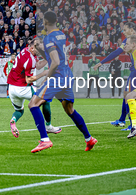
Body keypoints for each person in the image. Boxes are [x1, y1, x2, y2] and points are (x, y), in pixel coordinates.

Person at [27, 11, 97, 153]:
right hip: (67, 76)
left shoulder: (48, 38)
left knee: (33, 104)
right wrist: (40, 50)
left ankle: (44, 140)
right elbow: (53, 57)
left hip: (57, 77)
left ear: (46, 22)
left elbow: (55, 62)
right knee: (69, 109)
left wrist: (46, 79)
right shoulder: (60, 35)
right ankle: (89, 138)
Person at [7, 39, 61, 138]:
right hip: (22, 88)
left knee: (19, 110)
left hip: (12, 89)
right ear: (32, 48)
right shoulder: (30, 59)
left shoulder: (25, 51)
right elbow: (28, 80)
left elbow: (38, 65)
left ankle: (13, 120)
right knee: (45, 99)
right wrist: (44, 73)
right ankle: (48, 126)